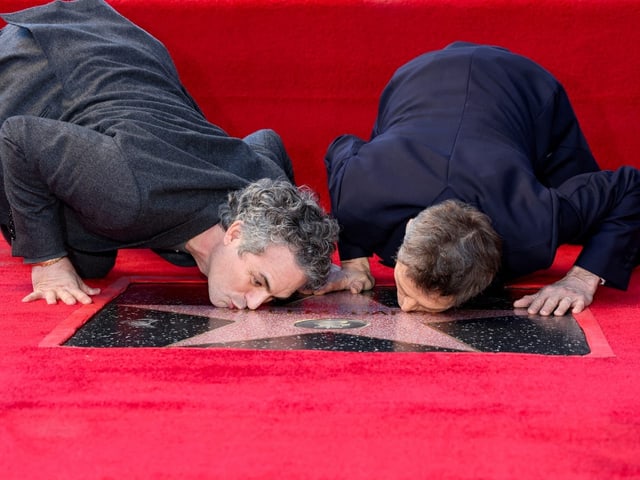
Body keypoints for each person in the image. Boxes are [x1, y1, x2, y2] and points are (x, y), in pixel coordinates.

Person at [0, 0, 338, 308]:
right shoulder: (129, 195)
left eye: (273, 294)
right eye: (258, 281)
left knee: (89, 260)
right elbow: (18, 138)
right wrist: (47, 263)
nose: (255, 303)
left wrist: (307, 270)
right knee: (64, 249)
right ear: (235, 232)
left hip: (129, 60)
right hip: (40, 63)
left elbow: (267, 139)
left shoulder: (260, 184)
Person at [321, 41, 640, 316]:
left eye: (420, 303)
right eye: (406, 290)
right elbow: (339, 149)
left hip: (523, 88)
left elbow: (629, 187)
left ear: (483, 283)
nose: (403, 307)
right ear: (409, 229)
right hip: (421, 77)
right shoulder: (362, 187)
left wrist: (581, 279)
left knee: (602, 228)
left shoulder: (536, 221)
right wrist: (354, 258)